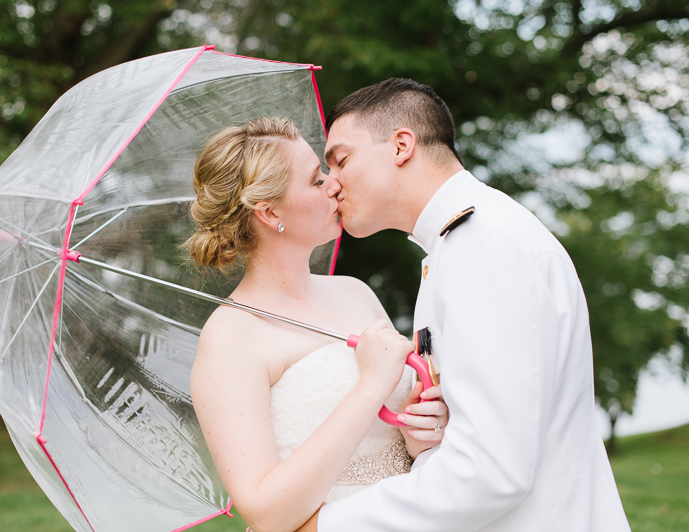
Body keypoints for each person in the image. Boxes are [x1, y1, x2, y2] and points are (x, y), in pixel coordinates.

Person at [295, 79, 630, 531]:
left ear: (401, 145)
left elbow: (490, 471)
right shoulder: (459, 246)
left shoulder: (485, 248)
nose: (331, 184)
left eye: (341, 160)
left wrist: (327, 526)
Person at [186, 117, 450, 532]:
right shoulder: (231, 336)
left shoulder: (355, 292)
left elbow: (399, 439)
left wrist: (420, 439)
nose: (335, 185)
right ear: (270, 212)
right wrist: (370, 387)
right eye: (314, 180)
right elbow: (266, 514)